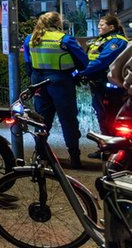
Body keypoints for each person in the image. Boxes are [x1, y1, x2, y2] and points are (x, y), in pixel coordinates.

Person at [23, 11, 89, 168]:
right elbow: (84, 61)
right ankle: (74, 157)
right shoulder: (65, 39)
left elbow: (28, 64)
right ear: (58, 23)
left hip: (38, 82)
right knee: (68, 119)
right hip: (61, 82)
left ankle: (41, 156)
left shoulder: (30, 39)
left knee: (41, 120)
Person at [78, 14, 128, 144]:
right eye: (99, 24)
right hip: (97, 82)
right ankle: (105, 145)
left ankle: (115, 147)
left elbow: (102, 61)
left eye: (102, 25)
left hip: (110, 85)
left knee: (110, 115)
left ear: (111, 27)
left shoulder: (117, 41)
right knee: (101, 115)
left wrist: (81, 71)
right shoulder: (100, 40)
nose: (99, 27)